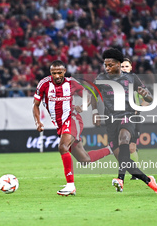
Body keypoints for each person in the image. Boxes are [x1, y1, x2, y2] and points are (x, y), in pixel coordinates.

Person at [33, 60, 112, 196]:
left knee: (62, 147)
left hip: (72, 119)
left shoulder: (71, 83)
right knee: (84, 159)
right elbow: (36, 104)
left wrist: (84, 107)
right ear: (50, 73)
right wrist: (38, 122)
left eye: (59, 72)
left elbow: (89, 95)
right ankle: (112, 148)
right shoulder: (44, 84)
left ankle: (70, 186)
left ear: (64, 71)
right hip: (59, 125)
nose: (57, 76)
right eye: (53, 73)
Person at [91, 49, 157, 195]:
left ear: (119, 64)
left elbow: (149, 98)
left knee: (124, 139)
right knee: (125, 161)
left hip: (128, 115)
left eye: (110, 65)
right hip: (111, 120)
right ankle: (149, 181)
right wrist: (94, 112)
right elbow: (93, 95)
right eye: (105, 65)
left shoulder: (131, 78)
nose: (107, 68)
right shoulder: (101, 78)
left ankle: (120, 179)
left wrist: (146, 95)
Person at [121, 58, 148, 180]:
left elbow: (147, 97)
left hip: (134, 117)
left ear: (131, 68)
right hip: (119, 117)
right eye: (122, 67)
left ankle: (135, 174)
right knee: (122, 147)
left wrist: (139, 108)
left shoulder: (134, 80)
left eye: (127, 66)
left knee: (131, 147)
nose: (124, 69)